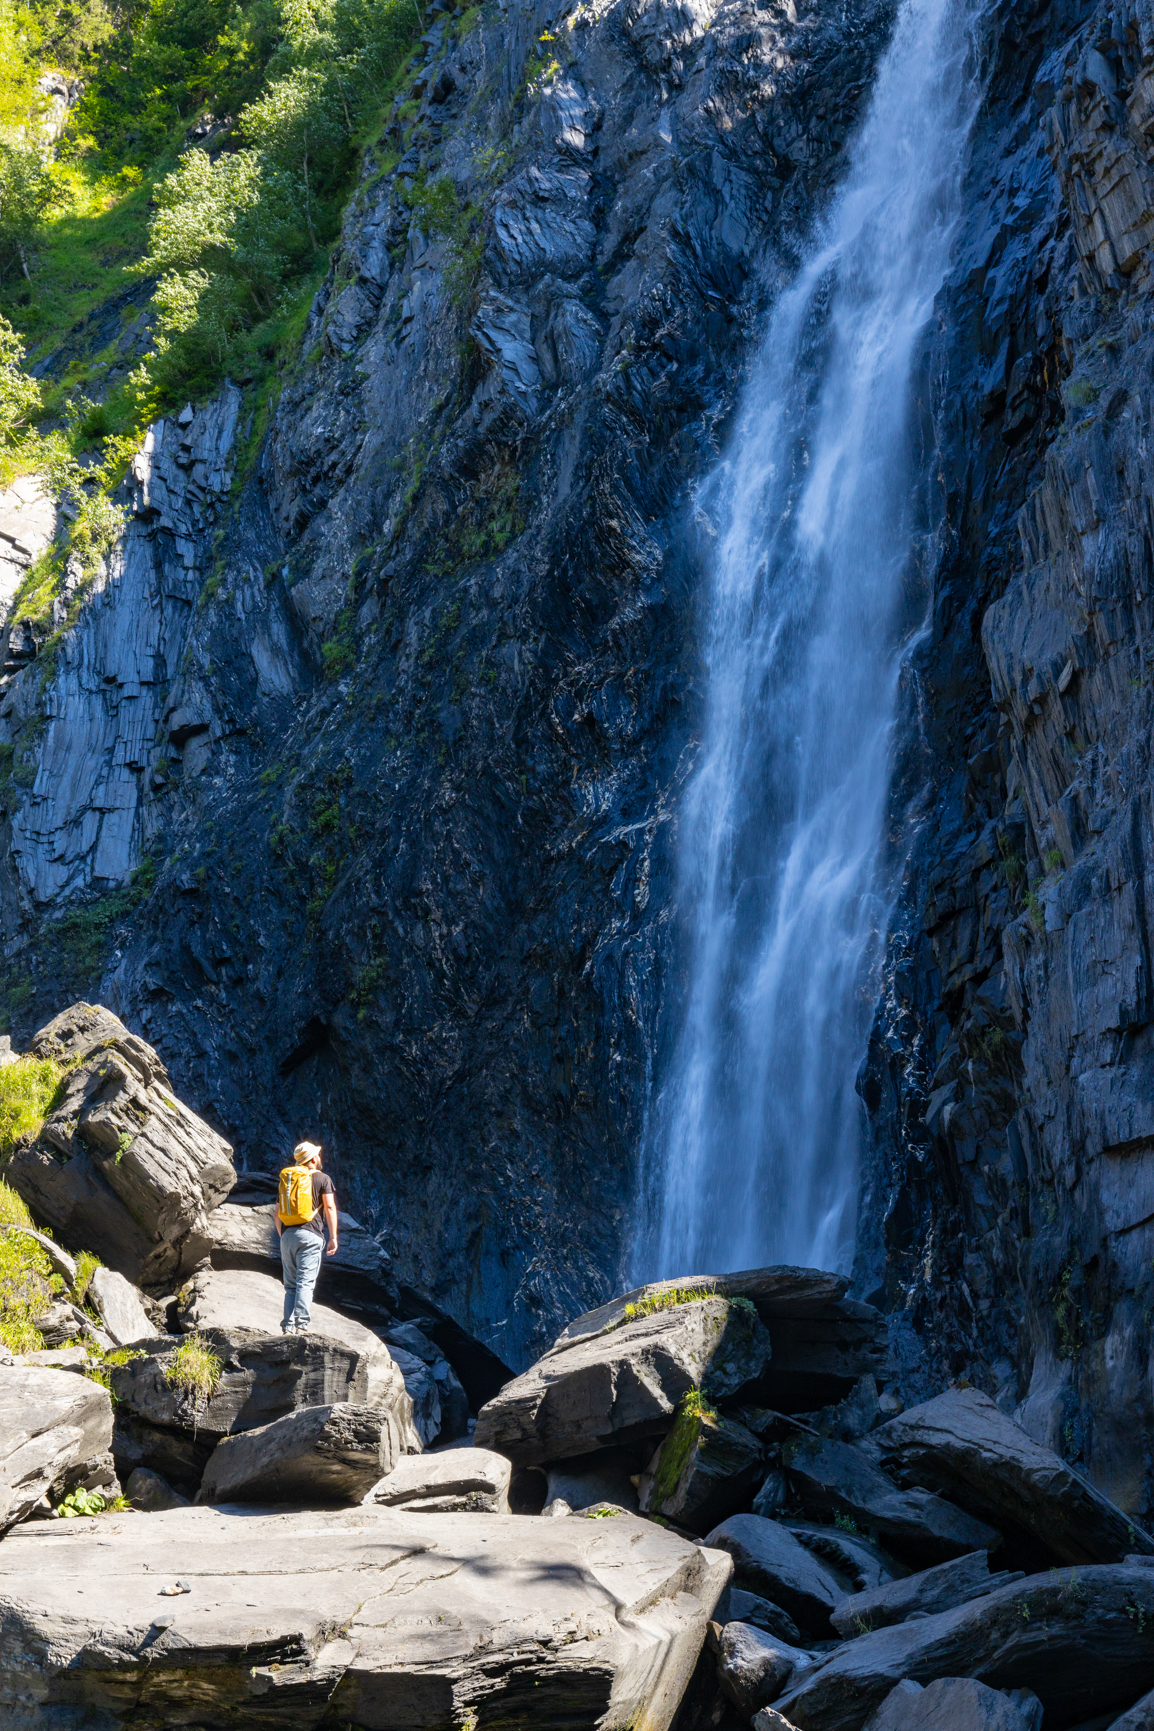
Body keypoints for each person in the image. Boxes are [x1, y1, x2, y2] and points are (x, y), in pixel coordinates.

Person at [275, 1140, 338, 1334]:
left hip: (287, 1236)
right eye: (318, 1155)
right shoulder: (323, 1179)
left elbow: (277, 1211)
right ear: (313, 1159)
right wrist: (333, 1236)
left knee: (291, 1285)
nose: (320, 1157)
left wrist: (283, 1235)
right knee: (305, 1282)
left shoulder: (288, 1180)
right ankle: (302, 1326)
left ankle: (287, 1326)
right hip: (310, 1236)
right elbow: (329, 1207)